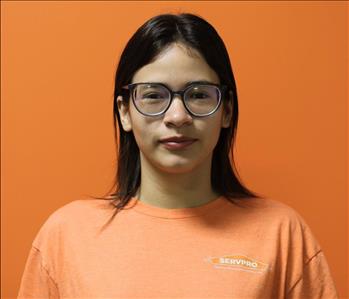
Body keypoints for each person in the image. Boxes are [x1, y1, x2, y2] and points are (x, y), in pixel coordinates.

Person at [17, 12, 339, 298]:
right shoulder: (67, 235)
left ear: (226, 110)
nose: (177, 116)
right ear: (125, 112)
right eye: (154, 95)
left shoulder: (281, 233)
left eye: (198, 95)